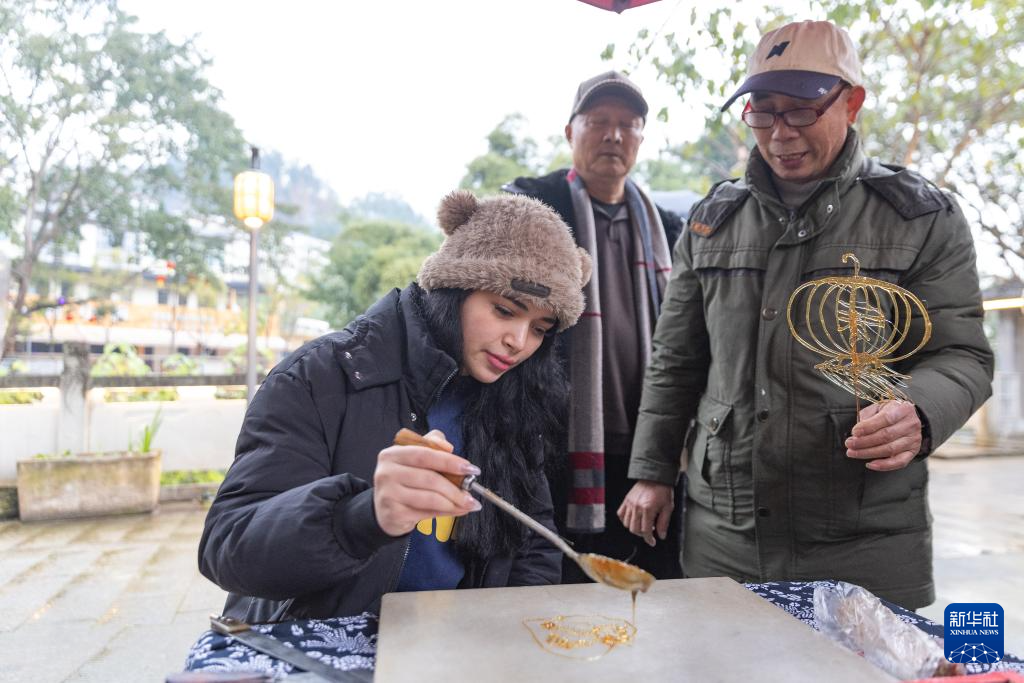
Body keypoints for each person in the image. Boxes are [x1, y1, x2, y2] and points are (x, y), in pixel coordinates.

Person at [619, 20, 993, 609]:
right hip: (727, 534)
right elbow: (677, 360)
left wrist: (919, 411)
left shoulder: (921, 217)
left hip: (864, 536)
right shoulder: (712, 220)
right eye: (763, 112)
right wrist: (652, 470)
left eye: (802, 111)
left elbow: (962, 354)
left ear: (852, 102)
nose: (780, 133)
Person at [199, 190, 592, 622]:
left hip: (456, 647)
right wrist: (361, 517)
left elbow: (533, 547)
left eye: (539, 328)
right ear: (453, 288)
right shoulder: (322, 375)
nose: (518, 342)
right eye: (503, 310)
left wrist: (503, 638)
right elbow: (228, 547)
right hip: (316, 645)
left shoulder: (513, 399)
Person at [504, 70, 685, 582]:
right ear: (570, 132)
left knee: (651, 585)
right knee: (562, 583)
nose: (614, 135)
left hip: (646, 444)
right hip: (558, 440)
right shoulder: (534, 210)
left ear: (641, 138)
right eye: (599, 121)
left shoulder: (667, 229)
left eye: (629, 124)